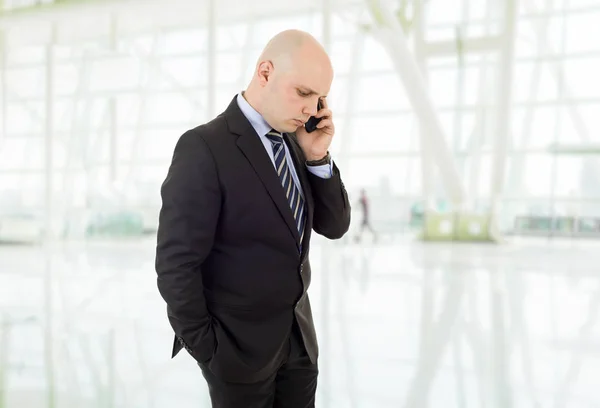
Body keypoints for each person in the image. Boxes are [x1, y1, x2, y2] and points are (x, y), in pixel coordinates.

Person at [155, 29, 351, 408]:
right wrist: (210, 350)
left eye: (319, 98)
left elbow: (335, 226)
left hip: (299, 346)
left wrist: (317, 157)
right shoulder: (204, 147)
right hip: (236, 355)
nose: (312, 110)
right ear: (265, 73)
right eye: (303, 93)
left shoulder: (297, 142)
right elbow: (176, 263)